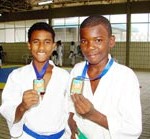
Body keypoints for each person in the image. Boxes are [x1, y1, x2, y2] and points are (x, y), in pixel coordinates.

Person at [67, 15, 142, 139]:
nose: (90, 47)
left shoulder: (125, 77)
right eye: (85, 41)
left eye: (98, 40)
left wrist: (93, 115)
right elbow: (69, 102)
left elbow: (133, 128)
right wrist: (70, 119)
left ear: (111, 41)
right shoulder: (77, 70)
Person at [0, 22, 70, 139]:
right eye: (36, 42)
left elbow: (69, 109)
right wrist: (22, 106)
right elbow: (7, 109)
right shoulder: (17, 76)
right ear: (29, 45)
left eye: (47, 42)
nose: (41, 47)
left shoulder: (64, 76)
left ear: (53, 46)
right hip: (28, 136)